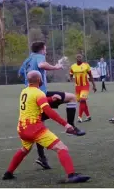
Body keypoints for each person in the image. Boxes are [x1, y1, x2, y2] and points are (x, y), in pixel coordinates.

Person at [2, 70, 90, 183]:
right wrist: (66, 124)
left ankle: (8, 173)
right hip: (34, 129)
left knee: (25, 149)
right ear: (39, 80)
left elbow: (34, 101)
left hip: (22, 129)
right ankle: (71, 175)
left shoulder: (24, 91)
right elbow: (48, 111)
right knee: (61, 148)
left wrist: (50, 99)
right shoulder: (39, 93)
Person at [18, 41, 85, 170]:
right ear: (41, 49)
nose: (46, 51)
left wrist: (30, 80)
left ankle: (42, 158)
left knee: (40, 125)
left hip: (31, 95)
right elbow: (42, 64)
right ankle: (70, 127)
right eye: (45, 49)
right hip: (40, 95)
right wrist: (56, 67)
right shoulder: (39, 57)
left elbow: (21, 73)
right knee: (71, 98)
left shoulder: (27, 59)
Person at [70, 54, 97, 123]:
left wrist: (94, 85)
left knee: (82, 100)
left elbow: (90, 75)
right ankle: (88, 116)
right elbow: (71, 75)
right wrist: (72, 80)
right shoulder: (73, 66)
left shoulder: (86, 65)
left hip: (85, 86)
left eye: (80, 57)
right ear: (76, 58)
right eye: (77, 57)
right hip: (77, 87)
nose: (79, 58)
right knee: (82, 102)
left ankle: (79, 117)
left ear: (82, 58)